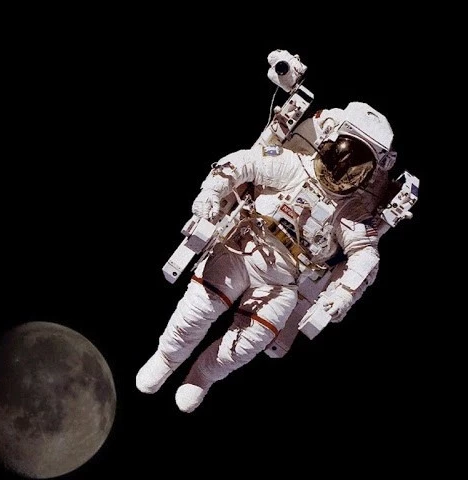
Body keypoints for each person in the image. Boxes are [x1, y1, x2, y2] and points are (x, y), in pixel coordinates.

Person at [136, 102, 394, 413]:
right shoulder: (291, 164)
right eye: (338, 159)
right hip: (243, 248)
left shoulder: (353, 212)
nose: (340, 173)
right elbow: (244, 162)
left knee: (249, 343)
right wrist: (211, 193)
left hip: (283, 282)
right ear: (327, 142)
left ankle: (202, 376)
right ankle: (166, 358)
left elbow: (366, 255)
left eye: (355, 171)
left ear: (368, 177)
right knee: (195, 313)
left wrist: (343, 295)